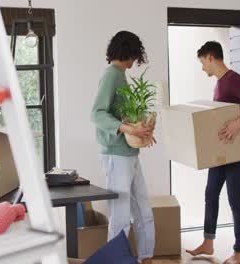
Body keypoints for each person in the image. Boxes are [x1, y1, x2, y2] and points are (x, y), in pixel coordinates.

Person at [186, 41, 240, 264]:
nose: (202, 68)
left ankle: (239, 252)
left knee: (234, 199)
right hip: (221, 153)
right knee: (210, 194)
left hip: (238, 152)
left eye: (202, 62)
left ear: (210, 57)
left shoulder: (233, 79)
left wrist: (237, 124)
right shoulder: (220, 84)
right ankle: (208, 242)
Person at [90, 31, 155, 264]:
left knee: (143, 210)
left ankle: (146, 257)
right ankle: (114, 261)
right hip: (116, 154)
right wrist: (129, 130)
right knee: (120, 215)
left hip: (129, 152)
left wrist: (143, 131)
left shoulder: (120, 75)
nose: (134, 61)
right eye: (135, 55)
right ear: (129, 52)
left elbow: (124, 114)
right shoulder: (112, 75)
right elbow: (97, 114)